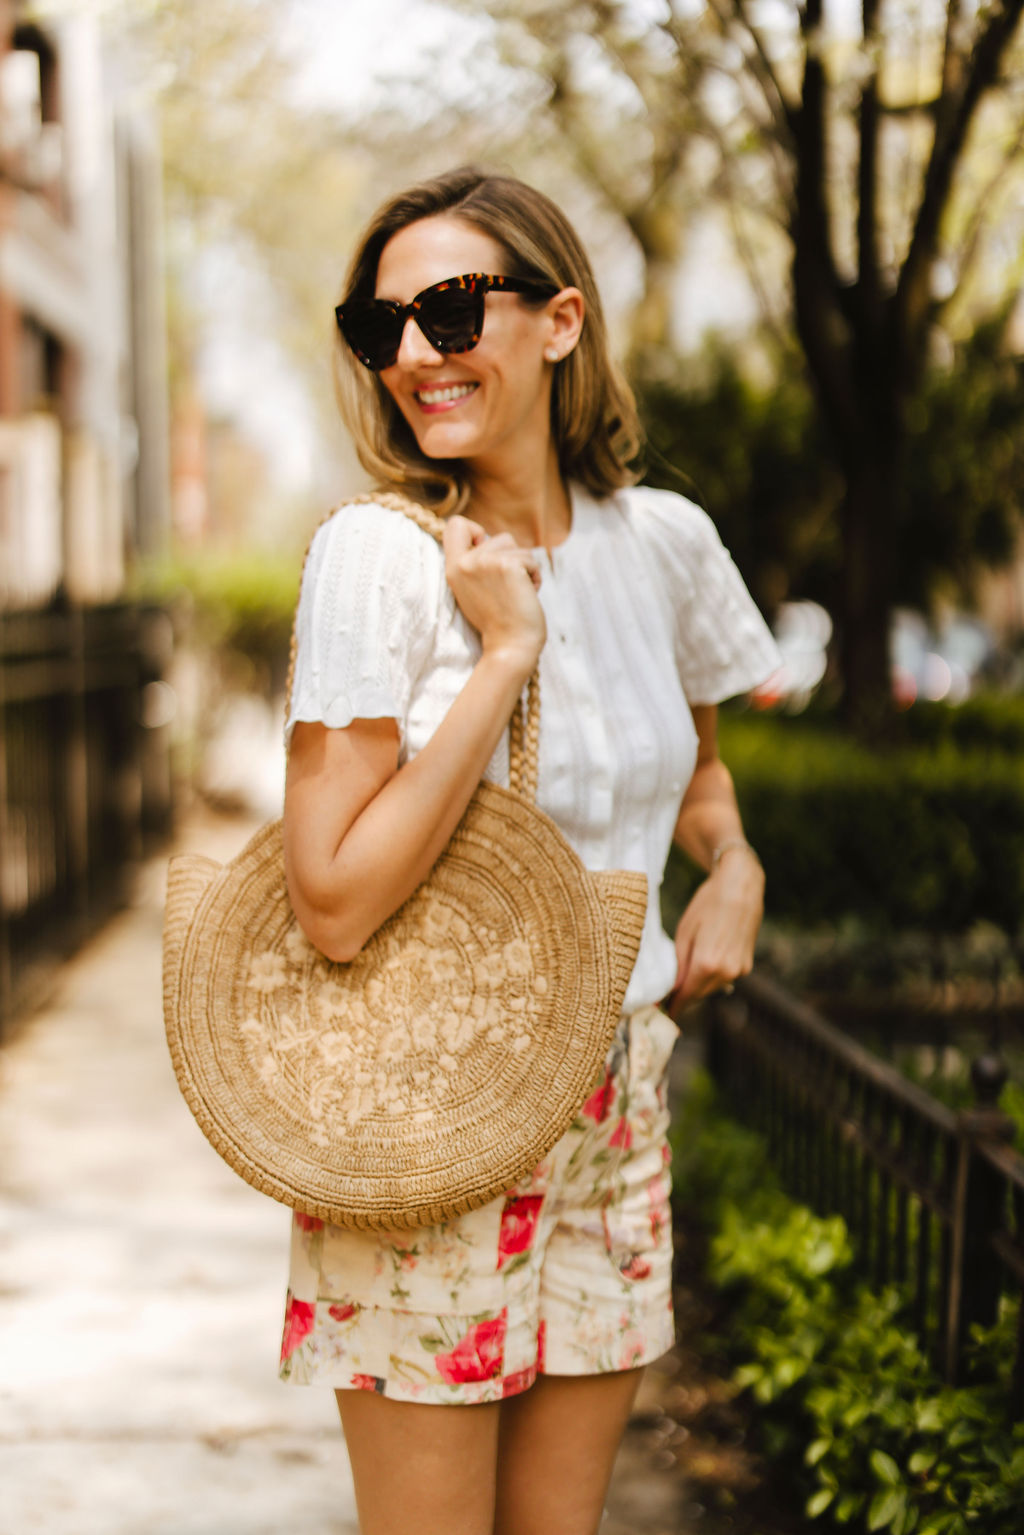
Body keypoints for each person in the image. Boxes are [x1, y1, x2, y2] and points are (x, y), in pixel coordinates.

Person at [278, 165, 780, 1535]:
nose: (415, 357)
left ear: (560, 320)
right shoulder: (381, 563)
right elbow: (330, 898)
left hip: (618, 1100)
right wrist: (506, 651)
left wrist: (732, 870)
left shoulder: (663, 546)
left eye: (449, 310)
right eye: (381, 328)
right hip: (438, 1104)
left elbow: (700, 778)